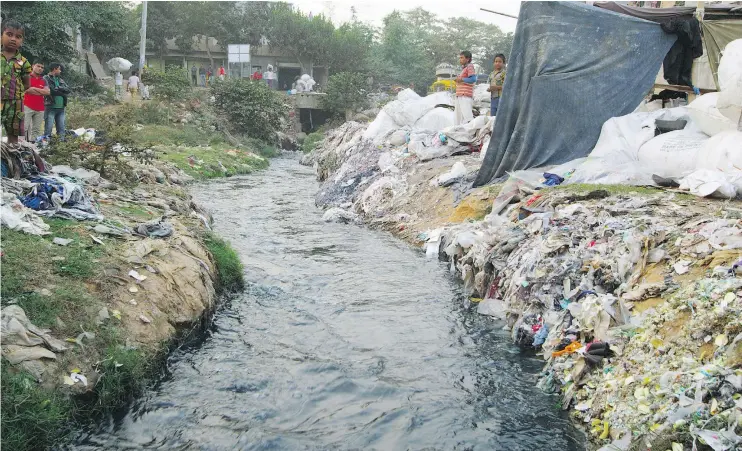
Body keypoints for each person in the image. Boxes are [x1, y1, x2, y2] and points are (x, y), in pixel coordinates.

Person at [1, 20, 32, 143]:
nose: (13, 39)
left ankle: (11, 160)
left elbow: (26, 84)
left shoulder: (24, 62)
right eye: (9, 34)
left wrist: (14, 94)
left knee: (13, 134)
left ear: (22, 41)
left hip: (15, 104)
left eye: (18, 37)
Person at [24, 61, 49, 142]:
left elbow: (47, 92)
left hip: (40, 108)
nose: (40, 69)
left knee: (36, 130)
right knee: (24, 127)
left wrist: (34, 89)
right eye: (38, 66)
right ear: (33, 66)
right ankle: (22, 146)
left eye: (42, 67)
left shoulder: (44, 80)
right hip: (27, 105)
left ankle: (34, 146)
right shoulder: (27, 77)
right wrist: (41, 91)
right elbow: (27, 90)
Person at [43, 63, 70, 137]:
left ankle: (60, 146)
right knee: (48, 129)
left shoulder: (60, 79)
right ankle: (46, 145)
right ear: (55, 69)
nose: (60, 71)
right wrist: (62, 92)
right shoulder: (46, 78)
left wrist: (60, 88)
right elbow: (51, 90)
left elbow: (68, 90)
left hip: (61, 108)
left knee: (61, 130)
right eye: (59, 69)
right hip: (50, 106)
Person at [454, 50, 477, 125]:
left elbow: (473, 79)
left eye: (462, 58)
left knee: (467, 117)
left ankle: (470, 132)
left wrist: (461, 79)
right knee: (458, 118)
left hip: (465, 95)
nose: (460, 59)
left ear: (467, 59)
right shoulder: (464, 69)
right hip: (460, 95)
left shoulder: (470, 66)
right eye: (459, 58)